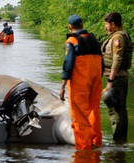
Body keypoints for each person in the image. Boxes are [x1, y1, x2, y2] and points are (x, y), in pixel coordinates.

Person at [59, 14, 103, 150]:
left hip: (80, 83)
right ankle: (96, 143)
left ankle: (84, 149)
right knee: (93, 111)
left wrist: (62, 87)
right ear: (83, 26)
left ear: (69, 26)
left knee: (79, 115)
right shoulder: (94, 40)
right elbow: (102, 63)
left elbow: (68, 65)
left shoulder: (72, 41)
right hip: (96, 81)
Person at [101, 12, 133, 141]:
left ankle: (118, 143)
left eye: (107, 24)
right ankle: (121, 143)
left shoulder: (117, 38)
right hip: (120, 78)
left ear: (113, 24)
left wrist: (110, 81)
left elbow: (117, 60)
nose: (105, 27)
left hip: (117, 78)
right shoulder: (121, 35)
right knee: (121, 110)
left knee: (115, 112)